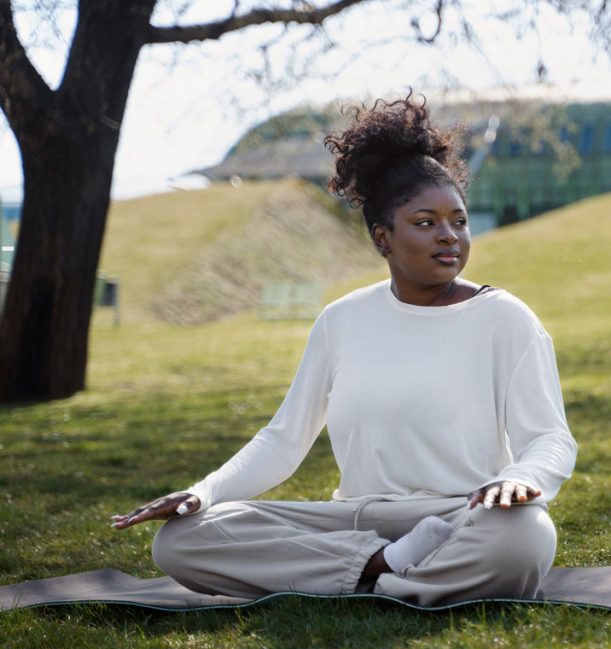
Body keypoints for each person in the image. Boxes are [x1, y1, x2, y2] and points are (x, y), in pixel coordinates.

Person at [112, 94, 577, 606]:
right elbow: (284, 440)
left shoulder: (505, 319)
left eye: (459, 221)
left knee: (525, 536)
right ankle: (385, 569)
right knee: (181, 540)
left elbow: (551, 439)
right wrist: (205, 492)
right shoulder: (342, 319)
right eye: (425, 223)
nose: (449, 237)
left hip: (458, 515)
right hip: (353, 519)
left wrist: (519, 479)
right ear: (383, 237)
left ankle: (359, 577)